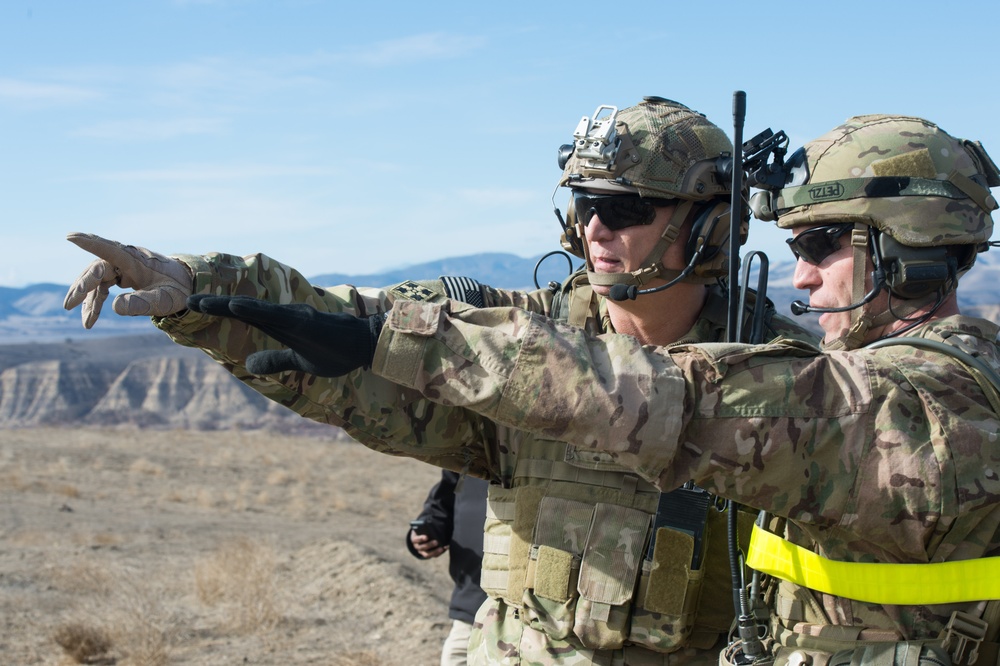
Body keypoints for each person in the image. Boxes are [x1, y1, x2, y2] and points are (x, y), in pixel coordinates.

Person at [209, 114, 1000, 666]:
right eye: (586, 206)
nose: (799, 272)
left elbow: (683, 400)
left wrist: (414, 338)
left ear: (913, 246)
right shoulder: (848, 375)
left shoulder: (930, 404)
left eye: (823, 243)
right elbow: (401, 407)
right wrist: (200, 302)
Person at [63, 97, 817, 664]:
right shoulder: (514, 339)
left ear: (709, 227)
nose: (594, 229)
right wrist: (195, 285)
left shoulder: (784, 377)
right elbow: (348, 337)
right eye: (585, 204)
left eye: (622, 207)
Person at [408, 470, 489, 666]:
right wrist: (428, 533)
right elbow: (441, 507)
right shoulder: (471, 447)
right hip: (470, 611)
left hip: (532, 620)